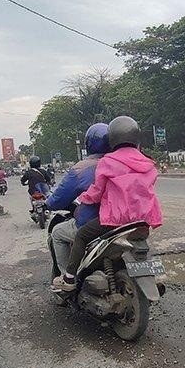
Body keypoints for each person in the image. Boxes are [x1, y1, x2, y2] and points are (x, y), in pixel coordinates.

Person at [52, 116, 163, 292]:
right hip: (143, 221)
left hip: (116, 220)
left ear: (112, 138)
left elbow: (96, 192)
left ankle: (69, 278)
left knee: (81, 236)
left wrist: (83, 200)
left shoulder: (108, 162)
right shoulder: (148, 163)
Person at [45, 123, 110, 274]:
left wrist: (48, 203)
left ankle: (67, 278)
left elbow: (59, 198)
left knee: (57, 233)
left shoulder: (81, 168)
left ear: (89, 144)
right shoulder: (123, 163)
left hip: (97, 222)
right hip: (130, 220)